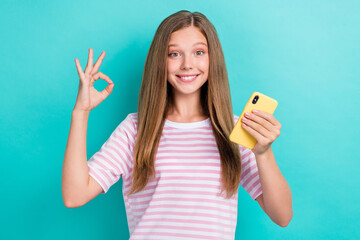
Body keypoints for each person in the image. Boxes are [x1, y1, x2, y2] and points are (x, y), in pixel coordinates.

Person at [62, 10, 292, 239]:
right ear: (160, 61)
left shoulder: (232, 129)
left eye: (199, 52)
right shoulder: (135, 129)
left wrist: (264, 152)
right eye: (174, 54)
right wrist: (80, 112)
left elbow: (282, 216)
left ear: (213, 59)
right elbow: (74, 195)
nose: (187, 64)